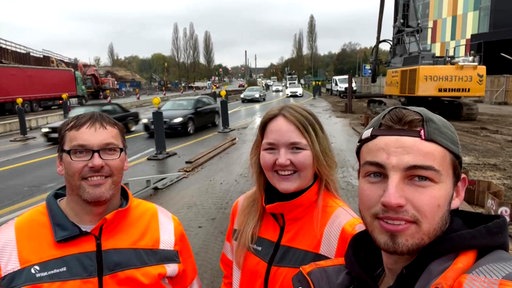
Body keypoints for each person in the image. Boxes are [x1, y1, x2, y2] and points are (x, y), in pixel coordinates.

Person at [292, 106, 512, 287]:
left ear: (457, 192)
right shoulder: (327, 278)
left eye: (420, 178)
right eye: (376, 174)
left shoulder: (491, 279)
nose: (391, 199)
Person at [0, 111, 201, 287]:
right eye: (80, 152)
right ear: (60, 163)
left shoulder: (166, 229)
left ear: (125, 160)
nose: (96, 163)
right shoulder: (8, 244)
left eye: (110, 150)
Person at [220, 103, 364, 287]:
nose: (282, 160)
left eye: (296, 148)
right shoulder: (241, 208)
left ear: (318, 154)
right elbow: (230, 275)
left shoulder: (348, 232)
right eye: (270, 148)